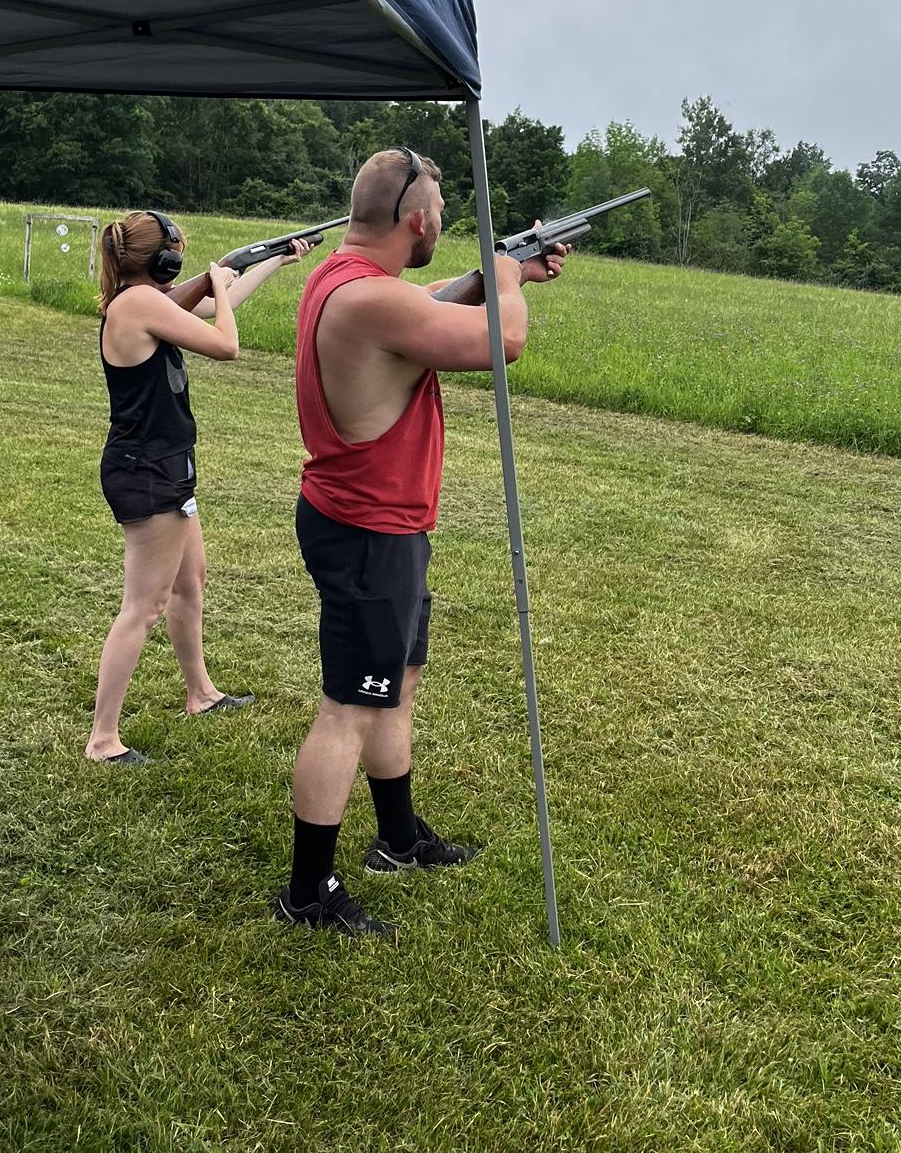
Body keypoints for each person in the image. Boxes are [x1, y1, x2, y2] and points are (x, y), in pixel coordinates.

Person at [275, 149, 568, 934]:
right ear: (418, 220)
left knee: (395, 684)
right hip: (368, 533)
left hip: (384, 527)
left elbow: (429, 298)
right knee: (349, 708)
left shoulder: (344, 276)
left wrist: (504, 268)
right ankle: (309, 893)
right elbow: (503, 343)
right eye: (440, 211)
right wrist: (504, 276)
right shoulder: (369, 300)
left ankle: (398, 839)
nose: (444, 222)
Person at [86, 209, 308, 764]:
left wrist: (274, 260)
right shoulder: (137, 304)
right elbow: (224, 341)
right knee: (144, 604)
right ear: (161, 260)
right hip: (147, 469)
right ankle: (103, 739)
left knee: (191, 585)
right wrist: (220, 285)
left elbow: (210, 301)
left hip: (167, 462)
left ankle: (201, 694)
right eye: (176, 255)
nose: (179, 263)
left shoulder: (150, 301)